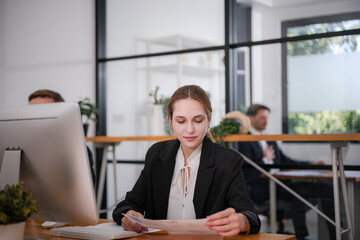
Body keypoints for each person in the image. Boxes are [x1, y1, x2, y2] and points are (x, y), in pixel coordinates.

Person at [112, 85, 261, 236]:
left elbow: (250, 215)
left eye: (198, 120)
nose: (190, 129)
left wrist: (241, 220)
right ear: (170, 121)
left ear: (209, 120)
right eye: (181, 121)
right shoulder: (157, 154)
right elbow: (128, 204)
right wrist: (129, 215)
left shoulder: (228, 160)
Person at [238, 104, 335, 240]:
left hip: (280, 183)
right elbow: (248, 172)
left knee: (326, 188)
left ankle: (335, 234)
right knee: (299, 193)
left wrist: (310, 164)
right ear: (251, 118)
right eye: (262, 118)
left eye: (267, 118)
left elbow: (285, 160)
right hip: (262, 187)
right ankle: (301, 236)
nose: (266, 121)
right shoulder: (244, 140)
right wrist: (263, 157)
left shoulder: (267, 138)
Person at [28, 89, 96, 186]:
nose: (35, 117)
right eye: (31, 112)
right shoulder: (18, 148)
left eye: (43, 111)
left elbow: (86, 190)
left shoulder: (77, 151)